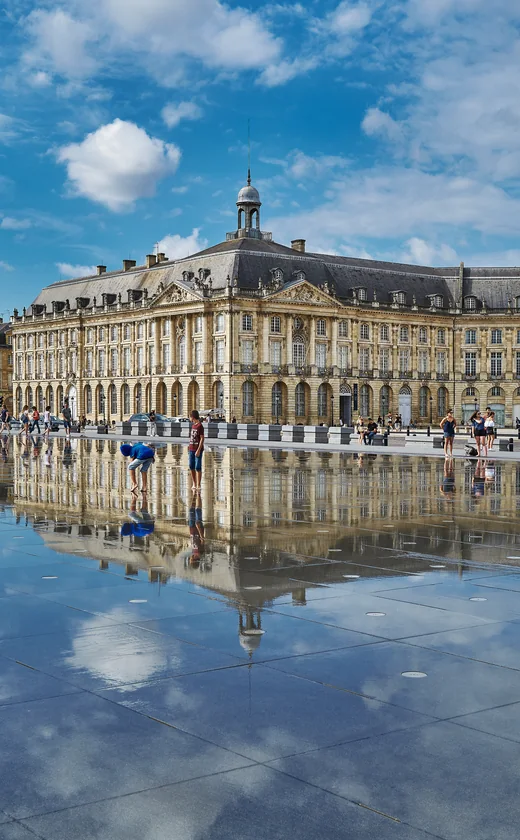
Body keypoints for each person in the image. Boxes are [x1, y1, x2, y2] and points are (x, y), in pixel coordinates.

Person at [188, 409, 204, 491]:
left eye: (190, 417)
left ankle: (198, 484)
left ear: (193, 417)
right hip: (191, 448)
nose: (189, 418)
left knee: (198, 467)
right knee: (191, 466)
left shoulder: (200, 426)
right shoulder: (193, 426)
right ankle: (194, 483)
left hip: (197, 449)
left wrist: (199, 450)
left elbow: (202, 439)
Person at [188, 492, 205, 566]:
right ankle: (198, 494)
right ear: (194, 560)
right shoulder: (200, 552)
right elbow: (202, 540)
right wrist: (198, 527)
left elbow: (193, 540)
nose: (190, 559)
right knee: (198, 510)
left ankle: (195, 494)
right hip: (197, 528)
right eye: (191, 561)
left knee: (191, 510)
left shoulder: (193, 552)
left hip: (192, 528)